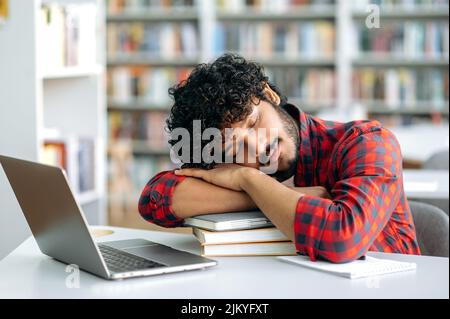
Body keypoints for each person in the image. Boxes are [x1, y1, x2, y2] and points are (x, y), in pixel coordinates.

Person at [138, 54, 420, 263]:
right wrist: (267, 189)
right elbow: (154, 198)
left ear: (269, 94)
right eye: (235, 149)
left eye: (252, 122)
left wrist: (248, 179)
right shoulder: (242, 170)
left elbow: (341, 238)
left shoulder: (365, 141)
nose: (257, 147)